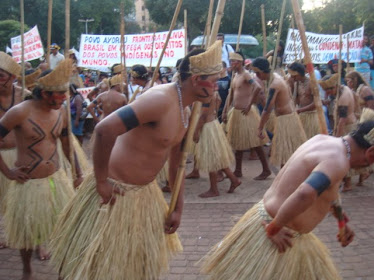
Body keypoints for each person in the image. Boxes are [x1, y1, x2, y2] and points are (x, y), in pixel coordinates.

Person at [49, 41, 223, 280]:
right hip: (113, 193)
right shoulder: (160, 100)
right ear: (195, 80)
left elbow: (177, 164)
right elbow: (103, 130)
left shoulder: (187, 111)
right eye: (213, 81)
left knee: (133, 266)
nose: (216, 87)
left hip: (143, 196)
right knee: (83, 265)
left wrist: (177, 208)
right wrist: (101, 182)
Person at [202, 121, 374, 280]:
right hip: (278, 234)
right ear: (371, 153)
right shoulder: (339, 161)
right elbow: (305, 193)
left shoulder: (323, 140)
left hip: (266, 219)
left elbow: (328, 191)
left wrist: (341, 220)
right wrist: (273, 229)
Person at [0, 59, 82, 280]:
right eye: (57, 96)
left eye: (63, 95)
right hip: (28, 182)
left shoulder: (62, 112)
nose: (62, 100)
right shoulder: (19, 112)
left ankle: (63, 272)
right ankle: (27, 269)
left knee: (64, 229)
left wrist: (78, 172)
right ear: (43, 94)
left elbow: (66, 144)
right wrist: (8, 173)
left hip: (56, 178)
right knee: (27, 230)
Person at [223, 52, 271, 180]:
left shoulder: (246, 75)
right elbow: (231, 94)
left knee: (255, 142)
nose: (231, 63)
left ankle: (266, 169)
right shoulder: (235, 75)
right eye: (230, 60)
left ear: (239, 62)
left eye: (233, 61)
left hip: (247, 113)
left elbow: (257, 87)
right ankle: (238, 170)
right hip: (237, 113)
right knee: (238, 142)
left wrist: (249, 104)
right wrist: (225, 111)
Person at [186, 91, 241, 198]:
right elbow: (219, 99)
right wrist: (214, 111)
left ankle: (214, 190)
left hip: (207, 127)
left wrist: (196, 131)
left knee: (211, 159)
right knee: (216, 157)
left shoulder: (205, 92)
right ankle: (234, 180)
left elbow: (203, 115)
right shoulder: (213, 90)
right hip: (213, 124)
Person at [254, 57, 307, 168]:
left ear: (264, 71)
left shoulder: (275, 84)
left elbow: (267, 109)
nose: (257, 76)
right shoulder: (276, 78)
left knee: (287, 155)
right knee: (286, 154)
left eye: (258, 73)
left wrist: (260, 128)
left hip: (286, 120)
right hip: (286, 119)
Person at [0, 52, 27, 249]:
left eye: (1, 75)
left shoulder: (25, 96)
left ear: (12, 77)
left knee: (25, 202)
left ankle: (33, 242)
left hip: (20, 156)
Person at [320, 74, 358, 192]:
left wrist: (337, 138)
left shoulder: (343, 97)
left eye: (329, 89)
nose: (328, 92)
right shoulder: (344, 89)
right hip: (347, 125)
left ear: (335, 86)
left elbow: (342, 120)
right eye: (326, 90)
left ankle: (348, 183)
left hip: (347, 127)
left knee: (345, 155)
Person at [288, 62, 321, 139]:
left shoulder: (312, 83)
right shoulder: (296, 83)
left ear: (299, 74)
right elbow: (295, 99)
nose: (293, 78)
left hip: (311, 117)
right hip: (301, 116)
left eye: (294, 76)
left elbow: (316, 103)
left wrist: (300, 110)